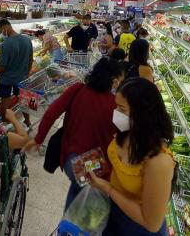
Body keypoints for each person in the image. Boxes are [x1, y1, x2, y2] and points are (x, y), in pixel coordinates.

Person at [23, 58, 124, 210]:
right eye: (119, 82)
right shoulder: (116, 105)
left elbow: (51, 113)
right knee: (88, 206)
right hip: (95, 162)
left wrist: (38, 138)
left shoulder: (77, 89)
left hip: (71, 157)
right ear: (114, 81)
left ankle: (66, 229)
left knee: (78, 187)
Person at [90, 78, 175, 236]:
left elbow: (152, 224)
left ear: (143, 114)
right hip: (114, 213)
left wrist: (108, 188)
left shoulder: (159, 161)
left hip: (137, 228)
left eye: (121, 109)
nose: (116, 113)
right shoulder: (127, 132)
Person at [0, 19, 33, 127]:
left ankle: (5, 124)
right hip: (22, 77)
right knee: (23, 99)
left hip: (6, 79)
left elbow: (1, 67)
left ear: (5, 28)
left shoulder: (6, 44)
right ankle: (27, 121)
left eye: (0, 31)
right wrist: (26, 73)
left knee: (5, 101)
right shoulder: (27, 40)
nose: (1, 34)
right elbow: (30, 59)